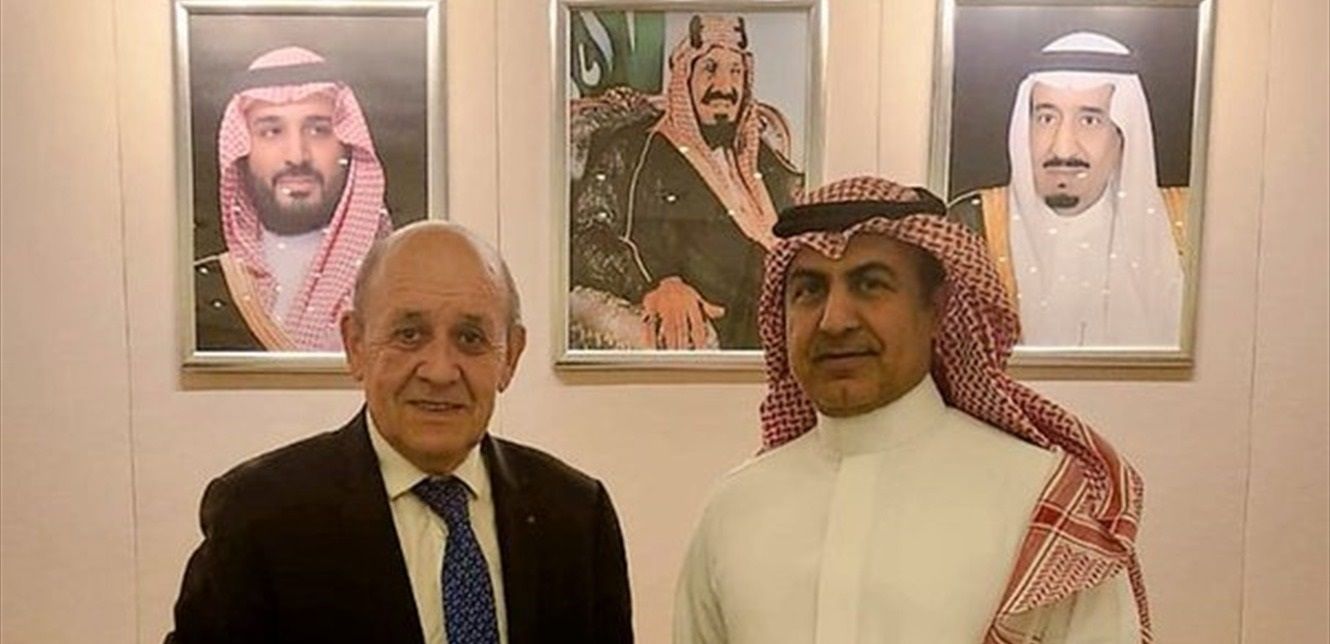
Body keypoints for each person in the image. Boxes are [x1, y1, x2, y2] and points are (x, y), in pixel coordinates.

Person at [675, 177, 1151, 643]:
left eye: (870, 285)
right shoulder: (734, 508)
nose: (834, 321)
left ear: (937, 309)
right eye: (809, 291)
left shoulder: (1043, 501)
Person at [170, 221, 634, 643]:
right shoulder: (259, 518)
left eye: (470, 338)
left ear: (510, 356)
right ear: (355, 345)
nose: (439, 370)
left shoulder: (576, 515)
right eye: (409, 335)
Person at [570, 14, 803, 350]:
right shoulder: (633, 148)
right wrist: (657, 285)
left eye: (735, 71)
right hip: (727, 330)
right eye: (710, 68)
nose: (725, 86)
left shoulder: (762, 156)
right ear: (685, 78)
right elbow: (586, 236)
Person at [948, 32, 1188, 348]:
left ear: (1123, 134)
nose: (1062, 148)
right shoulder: (971, 227)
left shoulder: (1186, 225)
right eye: (1046, 118)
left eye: (1089, 120)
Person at [194, 45, 392, 352]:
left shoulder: (400, 278)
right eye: (272, 131)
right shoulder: (199, 292)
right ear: (243, 150)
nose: (297, 155)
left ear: (347, 145)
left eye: (318, 130)